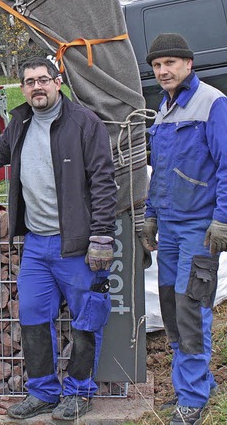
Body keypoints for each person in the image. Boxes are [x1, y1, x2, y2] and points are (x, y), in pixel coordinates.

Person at [0, 57, 117, 421]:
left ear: (58, 81)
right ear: (23, 88)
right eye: (30, 81)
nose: (37, 87)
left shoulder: (83, 123)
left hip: (76, 244)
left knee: (85, 319)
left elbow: (104, 182)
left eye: (43, 80)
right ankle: (43, 392)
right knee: (32, 316)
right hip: (36, 243)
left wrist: (102, 237)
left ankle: (79, 393)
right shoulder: (21, 122)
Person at [139, 33, 227, 425]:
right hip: (171, 226)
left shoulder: (212, 104)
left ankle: (191, 398)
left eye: (170, 63)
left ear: (188, 64)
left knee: (192, 309)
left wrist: (222, 219)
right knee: (173, 308)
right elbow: (159, 172)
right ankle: (199, 384)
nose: (163, 71)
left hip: (199, 228)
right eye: (157, 66)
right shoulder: (164, 109)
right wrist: (152, 215)